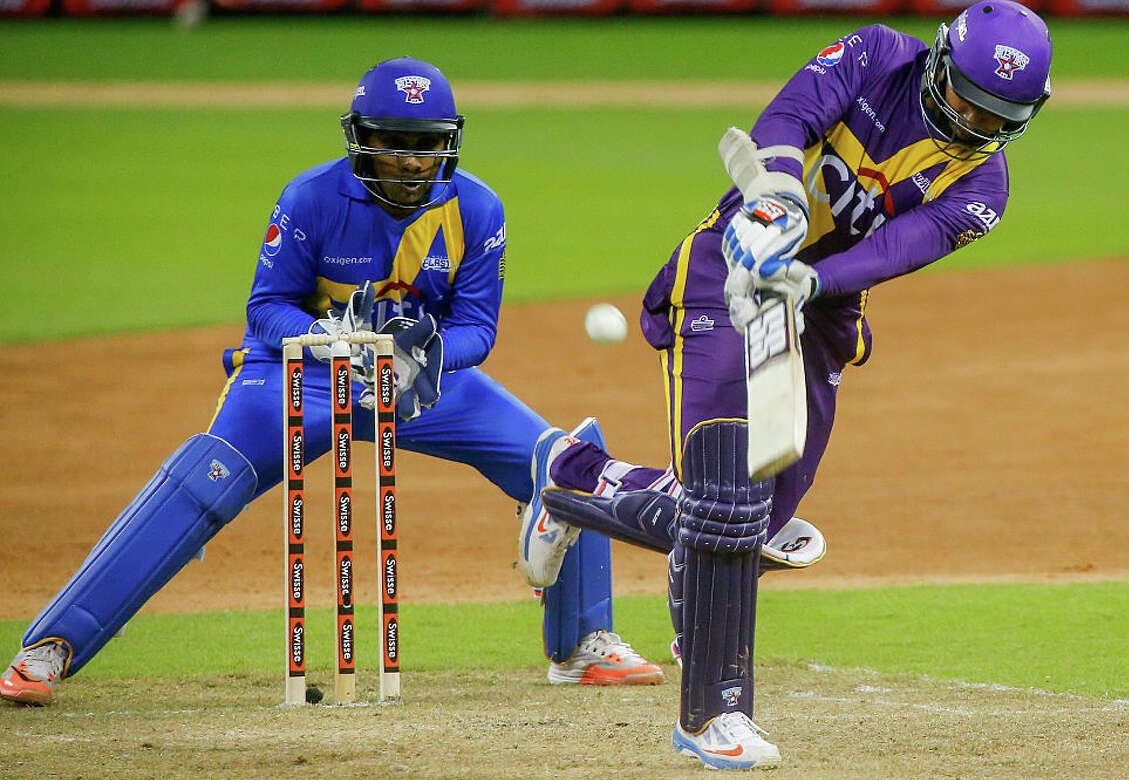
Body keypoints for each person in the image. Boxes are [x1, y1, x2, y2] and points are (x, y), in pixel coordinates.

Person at [0, 57, 662, 706]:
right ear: (360, 139)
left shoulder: (477, 208)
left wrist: (421, 354)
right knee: (210, 475)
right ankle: (50, 647)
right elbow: (266, 309)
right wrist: (329, 344)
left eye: (426, 146)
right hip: (303, 375)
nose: (410, 160)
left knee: (561, 462)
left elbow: (477, 330)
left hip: (417, 379)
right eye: (394, 144)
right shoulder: (311, 197)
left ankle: (582, 646)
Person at [519, 0, 1053, 769]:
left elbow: (896, 249)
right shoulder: (877, 54)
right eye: (964, 96)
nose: (971, 120)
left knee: (758, 523)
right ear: (940, 62)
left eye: (994, 115)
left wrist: (807, 279)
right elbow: (794, 112)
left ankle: (572, 478)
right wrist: (774, 194)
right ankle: (714, 712)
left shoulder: (982, 191)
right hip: (724, 274)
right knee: (724, 507)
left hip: (816, 305)